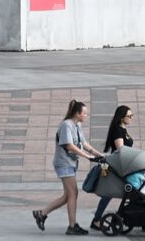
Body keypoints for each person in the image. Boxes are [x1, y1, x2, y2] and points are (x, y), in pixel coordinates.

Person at [32, 100, 103, 235]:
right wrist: (87, 157)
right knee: (73, 194)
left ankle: (41, 214)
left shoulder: (77, 125)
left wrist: (98, 155)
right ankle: (72, 226)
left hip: (69, 163)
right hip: (63, 163)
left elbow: (84, 143)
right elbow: (69, 145)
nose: (86, 116)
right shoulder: (66, 125)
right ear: (77, 113)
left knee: (68, 196)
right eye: (85, 113)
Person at [90, 105, 134, 231]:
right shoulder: (118, 130)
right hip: (116, 166)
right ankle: (97, 220)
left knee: (110, 194)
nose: (131, 118)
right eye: (129, 116)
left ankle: (98, 219)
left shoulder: (122, 129)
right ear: (122, 117)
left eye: (132, 115)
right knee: (109, 193)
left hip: (119, 165)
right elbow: (121, 150)